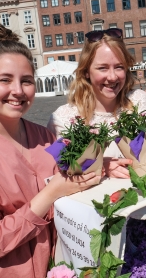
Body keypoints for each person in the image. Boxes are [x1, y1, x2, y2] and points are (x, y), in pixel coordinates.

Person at [0, 25, 102, 276]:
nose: (18, 91)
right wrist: (49, 194)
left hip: (57, 265)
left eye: (26, 81)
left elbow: (74, 169)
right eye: (5, 80)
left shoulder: (45, 136)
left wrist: (104, 163)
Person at [47, 28, 146, 179]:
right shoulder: (64, 118)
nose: (112, 77)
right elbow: (62, 172)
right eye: (102, 68)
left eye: (119, 67)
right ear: (86, 71)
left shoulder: (140, 101)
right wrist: (99, 164)